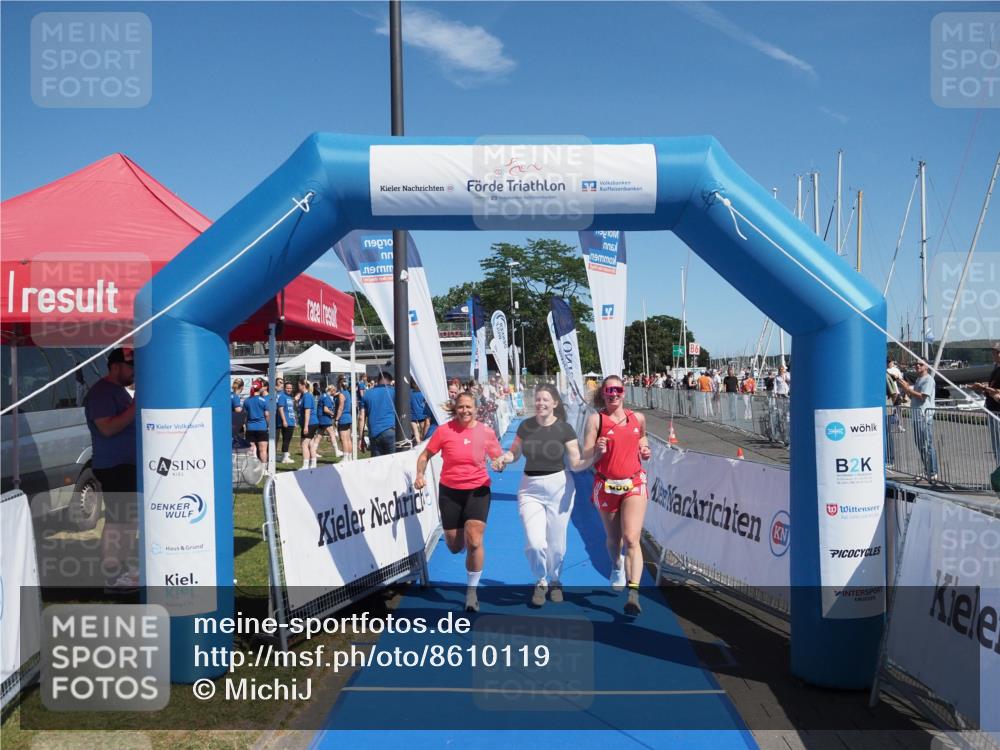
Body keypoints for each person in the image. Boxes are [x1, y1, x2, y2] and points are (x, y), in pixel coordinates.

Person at [493, 385, 591, 606]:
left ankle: (555, 580)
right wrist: (504, 459)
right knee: (535, 542)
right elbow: (514, 453)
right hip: (530, 488)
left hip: (560, 487)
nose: (541, 404)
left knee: (557, 545)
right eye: (538, 399)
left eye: (545, 400)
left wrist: (595, 457)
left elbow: (575, 463)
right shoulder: (525, 426)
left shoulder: (565, 429)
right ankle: (541, 580)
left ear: (555, 403)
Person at [414, 392, 503, 612]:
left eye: (469, 407)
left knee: (474, 541)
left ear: (476, 408)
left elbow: (497, 458)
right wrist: (419, 475)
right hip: (450, 491)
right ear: (455, 409)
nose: (465, 410)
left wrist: (500, 464)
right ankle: (462, 536)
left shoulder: (486, 432)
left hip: (478, 490)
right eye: (461, 407)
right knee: (454, 546)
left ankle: (471, 592)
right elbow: (425, 455)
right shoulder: (444, 431)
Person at [581, 375, 652, 616]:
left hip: (634, 482)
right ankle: (616, 564)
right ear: (603, 393)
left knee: (632, 538)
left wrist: (644, 448)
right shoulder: (595, 420)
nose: (614, 394)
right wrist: (597, 451)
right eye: (609, 390)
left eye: (618, 390)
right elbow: (586, 456)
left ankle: (634, 594)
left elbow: (641, 436)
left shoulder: (637, 418)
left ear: (624, 392)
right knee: (615, 540)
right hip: (606, 484)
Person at [83, 347, 138, 589]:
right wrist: (136, 406)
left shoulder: (118, 391)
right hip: (114, 466)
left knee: (127, 521)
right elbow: (106, 428)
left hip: (125, 465)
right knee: (117, 521)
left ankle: (121, 569)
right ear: (115, 366)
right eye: (130, 366)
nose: (134, 371)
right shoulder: (101, 393)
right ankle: (112, 575)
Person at [895, 360, 939, 482]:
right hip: (916, 415)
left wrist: (908, 389)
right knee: (921, 445)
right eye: (916, 364)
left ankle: (933, 471)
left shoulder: (928, 379)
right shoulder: (919, 379)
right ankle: (927, 470)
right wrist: (906, 389)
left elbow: (923, 397)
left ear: (926, 366)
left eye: (920, 364)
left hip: (924, 416)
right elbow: (914, 396)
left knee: (927, 445)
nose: (917, 366)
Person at [970, 342, 1000, 466]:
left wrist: (984, 388)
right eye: (993, 352)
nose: (993, 355)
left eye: (996, 352)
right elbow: (993, 388)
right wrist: (982, 388)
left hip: (997, 411)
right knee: (996, 447)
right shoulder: (996, 369)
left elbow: (997, 391)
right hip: (992, 410)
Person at [361, 371, 397, 457]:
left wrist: (361, 438)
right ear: (391, 381)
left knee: (377, 466)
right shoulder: (395, 392)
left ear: (378, 380)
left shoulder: (367, 394)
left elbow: (361, 418)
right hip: (391, 431)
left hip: (374, 433)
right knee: (393, 464)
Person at [243, 381, 270, 465]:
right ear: (260, 388)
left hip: (250, 428)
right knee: (263, 450)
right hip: (262, 427)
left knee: (251, 449)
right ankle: (264, 468)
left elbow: (244, 415)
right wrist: (267, 424)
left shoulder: (247, 401)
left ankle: (252, 467)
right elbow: (267, 414)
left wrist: (245, 425)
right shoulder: (263, 400)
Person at [298, 380, 319, 470]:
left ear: (303, 386)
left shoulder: (307, 396)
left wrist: (306, 426)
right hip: (311, 422)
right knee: (310, 443)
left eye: (299, 385)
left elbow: (307, 412)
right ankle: (313, 463)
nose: (298, 387)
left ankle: (306, 465)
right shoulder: (304, 396)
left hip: (310, 423)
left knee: (304, 444)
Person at [276, 381, 297, 464]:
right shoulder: (282, 397)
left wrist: (294, 420)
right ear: (284, 388)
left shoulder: (289, 397)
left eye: (290, 388)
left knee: (288, 439)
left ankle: (285, 455)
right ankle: (284, 457)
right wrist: (284, 420)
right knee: (286, 439)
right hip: (286, 422)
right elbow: (280, 409)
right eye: (287, 388)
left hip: (291, 421)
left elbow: (291, 410)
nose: (289, 389)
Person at [319, 384, 341, 459]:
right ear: (331, 390)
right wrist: (333, 414)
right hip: (325, 418)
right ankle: (336, 451)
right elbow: (326, 409)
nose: (335, 392)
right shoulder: (326, 397)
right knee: (332, 433)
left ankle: (313, 450)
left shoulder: (323, 395)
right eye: (334, 390)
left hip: (322, 418)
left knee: (319, 436)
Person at [334, 376, 354, 461]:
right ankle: (349, 456)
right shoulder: (347, 393)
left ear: (339, 384)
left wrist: (337, 419)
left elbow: (341, 407)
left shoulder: (342, 394)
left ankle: (345, 457)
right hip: (349, 417)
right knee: (348, 438)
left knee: (343, 439)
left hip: (343, 417)